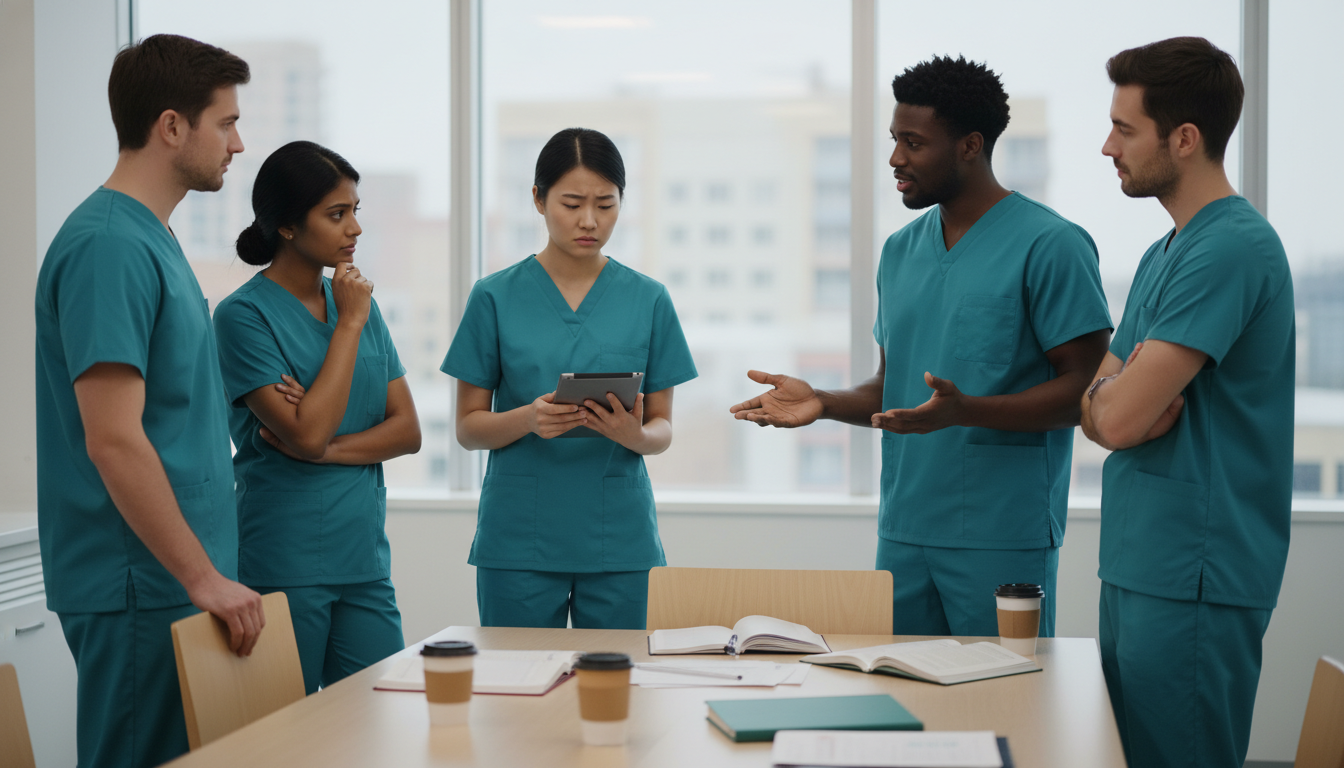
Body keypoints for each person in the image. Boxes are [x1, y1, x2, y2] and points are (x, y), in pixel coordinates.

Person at [731, 56, 1111, 638]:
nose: (895, 159)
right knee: (900, 700)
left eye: (913, 142)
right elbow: (894, 388)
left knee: (1004, 704)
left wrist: (968, 411)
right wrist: (824, 402)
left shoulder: (1052, 245)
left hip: (1000, 535)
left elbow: (1085, 393)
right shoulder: (900, 251)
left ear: (969, 146)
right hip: (904, 531)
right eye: (893, 140)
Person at [34, 34, 263, 767]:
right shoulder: (109, 247)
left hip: (176, 576)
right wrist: (199, 576)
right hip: (141, 579)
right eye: (224, 123)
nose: (237, 142)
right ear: (171, 126)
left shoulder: (149, 237)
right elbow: (113, 438)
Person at [1083, 37, 1294, 768]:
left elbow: (1114, 416)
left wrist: (1114, 401)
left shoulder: (1231, 249)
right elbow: (1100, 408)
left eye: (1124, 129)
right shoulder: (1164, 252)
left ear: (1184, 139)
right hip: (1142, 564)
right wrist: (1113, 398)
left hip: (1195, 572)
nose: (1107, 145)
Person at [443, 128, 697, 629]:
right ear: (537, 199)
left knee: (617, 695)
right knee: (516, 693)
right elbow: (469, 428)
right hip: (519, 536)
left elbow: (663, 427)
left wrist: (636, 435)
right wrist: (528, 418)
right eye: (572, 203)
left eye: (605, 205)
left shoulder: (648, 299)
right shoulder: (493, 297)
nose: (589, 221)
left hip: (618, 538)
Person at [213, 141, 420, 694]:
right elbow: (305, 431)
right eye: (336, 214)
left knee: (378, 722)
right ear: (285, 226)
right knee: (284, 735)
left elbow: (408, 430)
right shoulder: (242, 317)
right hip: (285, 561)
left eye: (355, 211)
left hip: (364, 559)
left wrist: (325, 448)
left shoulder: (355, 300)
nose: (354, 229)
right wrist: (348, 327)